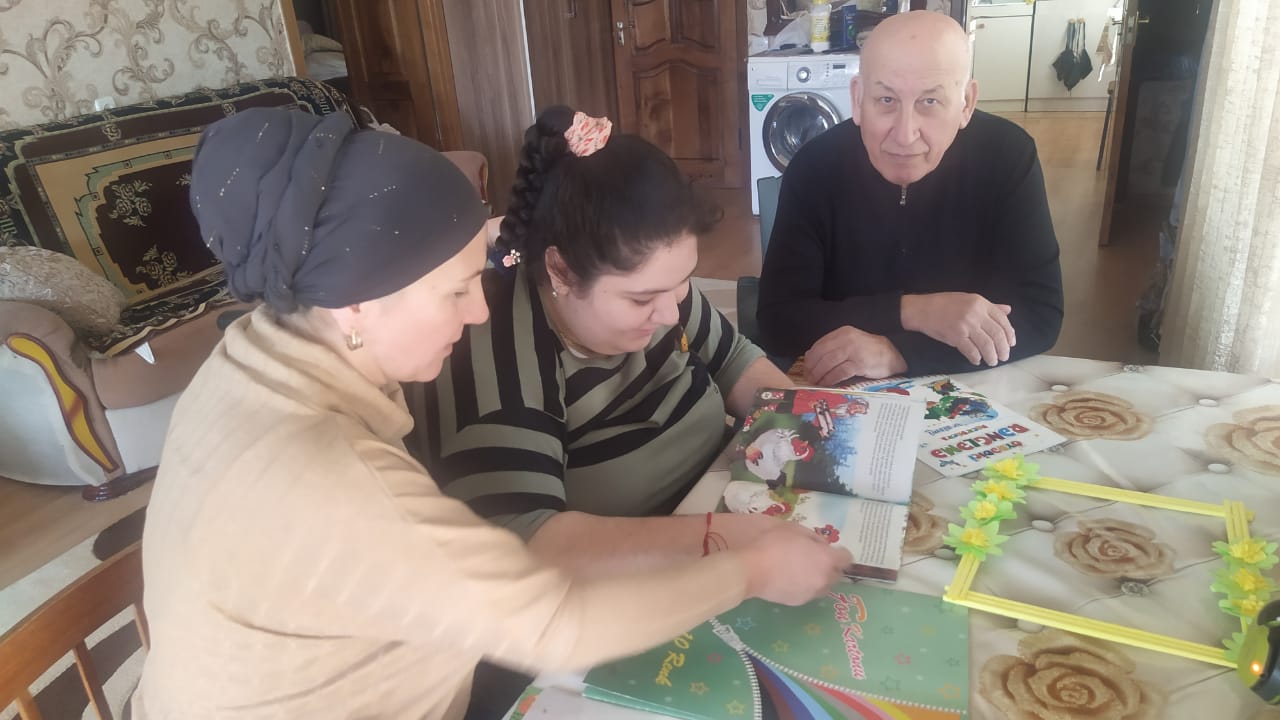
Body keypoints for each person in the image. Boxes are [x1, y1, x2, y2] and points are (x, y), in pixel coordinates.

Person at [133, 107, 851, 719]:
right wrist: (749, 568)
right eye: (455, 292)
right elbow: (561, 621)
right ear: (354, 304)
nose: (479, 310)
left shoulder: (256, 350)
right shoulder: (339, 482)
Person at [411, 106, 813, 573]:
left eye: (682, 280)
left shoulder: (659, 285)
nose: (670, 314)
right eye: (641, 299)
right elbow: (530, 546)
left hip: (732, 505)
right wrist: (727, 543)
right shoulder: (502, 364)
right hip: (639, 575)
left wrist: (813, 433)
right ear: (561, 271)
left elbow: (734, 359)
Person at [757, 11, 1064, 386]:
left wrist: (897, 352)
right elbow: (778, 321)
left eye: (930, 102)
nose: (904, 135)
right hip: (844, 389)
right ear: (857, 99)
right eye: (885, 99)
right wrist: (916, 311)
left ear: (966, 104)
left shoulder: (1007, 156)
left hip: (973, 389)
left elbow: (1041, 313)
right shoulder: (814, 166)